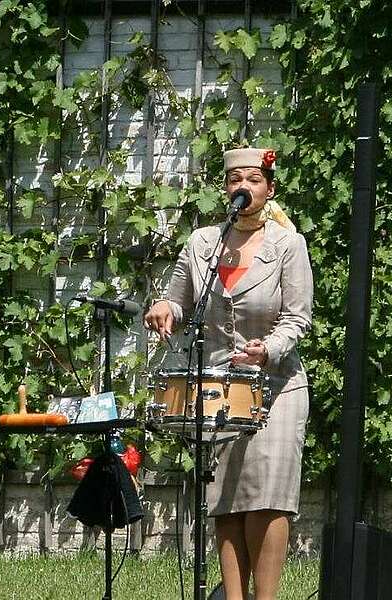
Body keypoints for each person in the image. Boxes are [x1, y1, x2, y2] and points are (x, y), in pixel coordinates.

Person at [144, 147, 313, 600]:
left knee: (267, 495)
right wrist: (165, 308)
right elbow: (178, 303)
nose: (243, 186)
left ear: (268, 189)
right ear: (226, 189)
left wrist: (269, 348)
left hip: (277, 385)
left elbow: (298, 318)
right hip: (217, 386)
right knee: (226, 500)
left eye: (253, 179)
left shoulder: (288, 245)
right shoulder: (203, 242)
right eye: (235, 179)